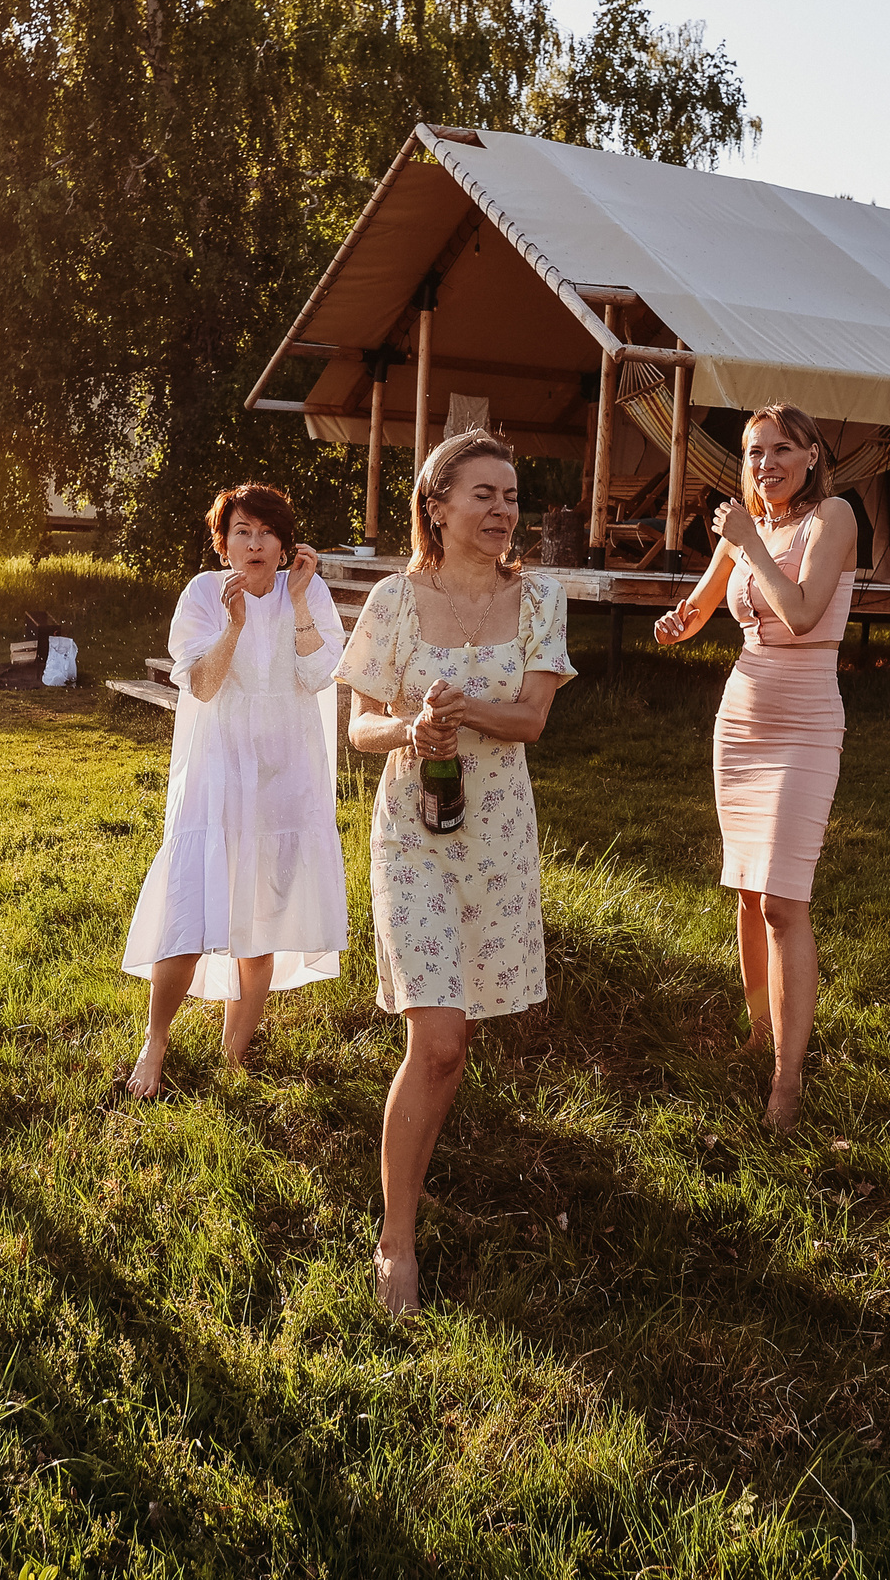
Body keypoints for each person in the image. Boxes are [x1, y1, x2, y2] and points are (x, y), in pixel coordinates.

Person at [336, 431, 576, 1314]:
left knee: (460, 1039)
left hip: (499, 832)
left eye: (512, 496)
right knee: (433, 1036)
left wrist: (462, 708)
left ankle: (417, 1164)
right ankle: (395, 1238)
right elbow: (359, 725)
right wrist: (409, 730)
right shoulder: (395, 601)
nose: (503, 510)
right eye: (484, 494)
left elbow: (531, 720)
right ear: (436, 504)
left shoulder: (539, 597)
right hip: (413, 831)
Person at [652, 404, 858, 1132]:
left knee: (782, 900)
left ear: (809, 455)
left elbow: (801, 613)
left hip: (805, 721)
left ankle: (788, 1081)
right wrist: (679, 619)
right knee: (746, 891)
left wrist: (748, 542)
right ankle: (758, 1033)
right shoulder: (749, 527)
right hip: (742, 717)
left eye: (779, 450)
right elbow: (708, 603)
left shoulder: (832, 517)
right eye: (752, 451)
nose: (764, 463)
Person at [121, 482, 347, 1097]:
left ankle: (232, 1065)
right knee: (192, 911)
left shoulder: (310, 591)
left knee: (261, 920)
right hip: (221, 768)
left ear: (284, 543)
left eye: (267, 531)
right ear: (223, 544)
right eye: (242, 531)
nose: (255, 542)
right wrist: (233, 624)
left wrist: (298, 602)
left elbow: (320, 673)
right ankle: (155, 1043)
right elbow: (202, 685)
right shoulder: (204, 593)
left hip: (284, 772)